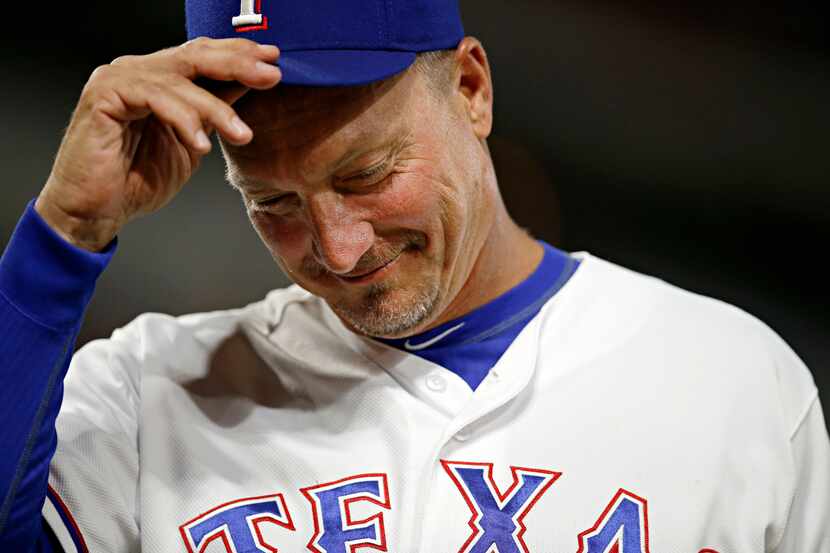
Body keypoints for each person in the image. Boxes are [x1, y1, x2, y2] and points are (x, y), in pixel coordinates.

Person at [1, 0, 828, 551]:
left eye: (366, 175)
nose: (339, 246)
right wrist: (62, 235)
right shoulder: (149, 391)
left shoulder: (731, 379)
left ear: (470, 88)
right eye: (274, 202)